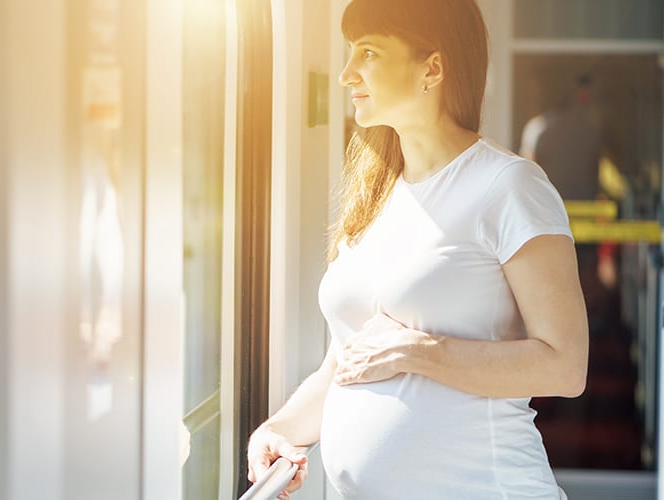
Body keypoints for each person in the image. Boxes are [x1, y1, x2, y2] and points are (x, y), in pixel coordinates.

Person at [245, 1, 588, 498]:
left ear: (432, 66)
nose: (346, 75)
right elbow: (347, 362)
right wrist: (277, 430)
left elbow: (565, 366)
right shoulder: (375, 197)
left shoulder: (508, 186)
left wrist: (424, 352)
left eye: (367, 53)